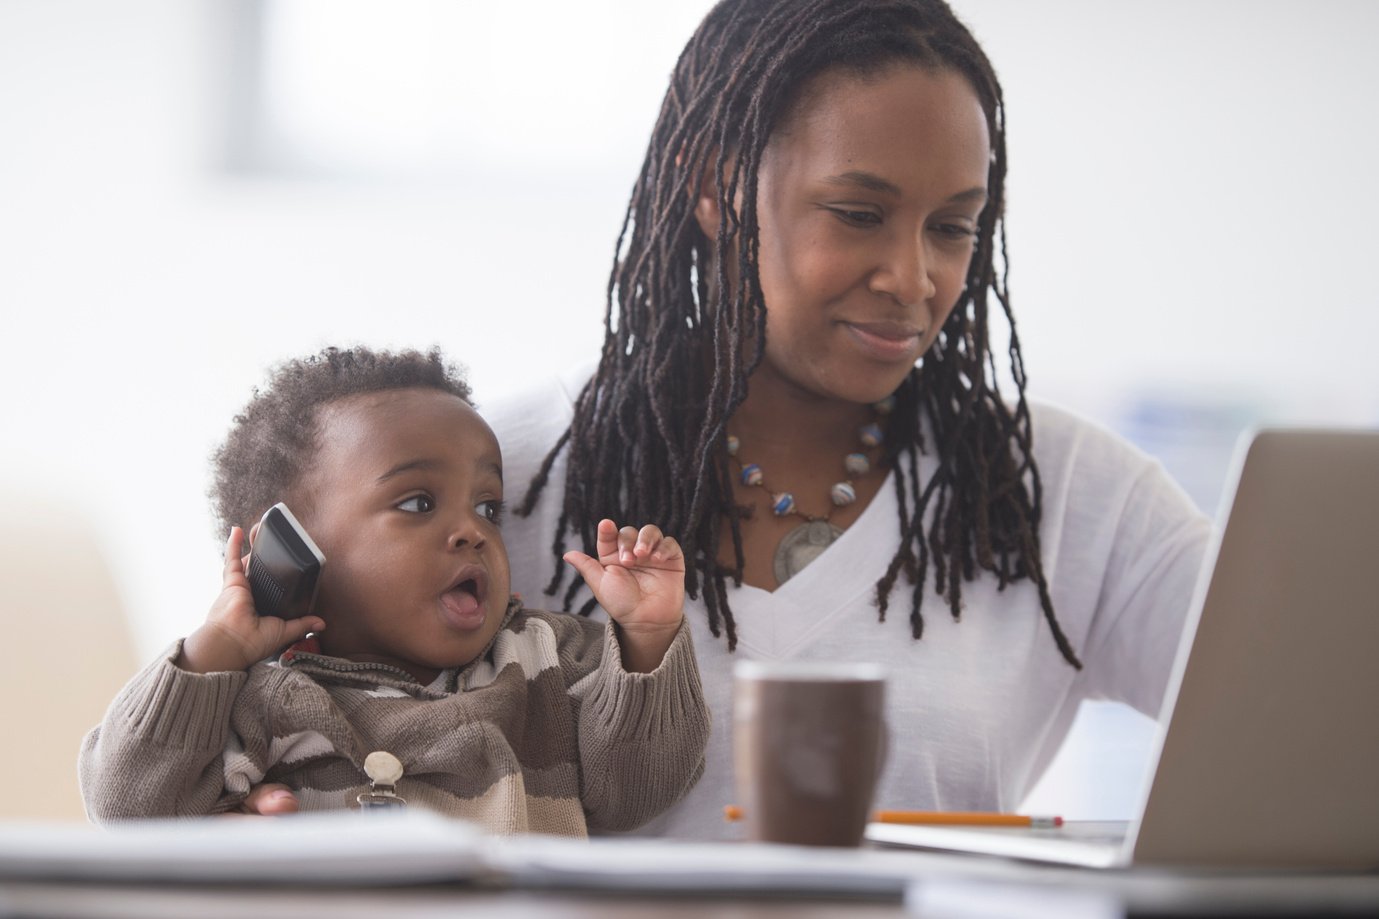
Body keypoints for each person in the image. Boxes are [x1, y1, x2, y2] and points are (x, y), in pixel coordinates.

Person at [244, 0, 1212, 839]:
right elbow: (267, 727)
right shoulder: (494, 488)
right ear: (712, 183)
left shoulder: (1068, 493)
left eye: (952, 227)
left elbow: (1312, 727)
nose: (914, 279)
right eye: (856, 212)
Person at [79, 346, 709, 836]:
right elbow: (131, 808)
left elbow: (634, 795)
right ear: (293, 546)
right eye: (417, 502)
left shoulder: (548, 660)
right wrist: (212, 650)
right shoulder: (259, 696)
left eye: (488, 507)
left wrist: (648, 641)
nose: (471, 531)